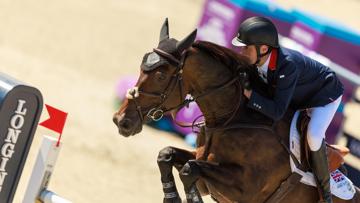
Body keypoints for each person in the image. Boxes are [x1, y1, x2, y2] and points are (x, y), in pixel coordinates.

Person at [232, 16, 344, 203]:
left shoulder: (287, 65)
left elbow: (277, 111)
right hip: (299, 94)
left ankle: (325, 195)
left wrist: (250, 95)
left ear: (264, 49)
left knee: (313, 136)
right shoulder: (259, 61)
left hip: (324, 95)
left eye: (246, 47)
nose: (241, 51)